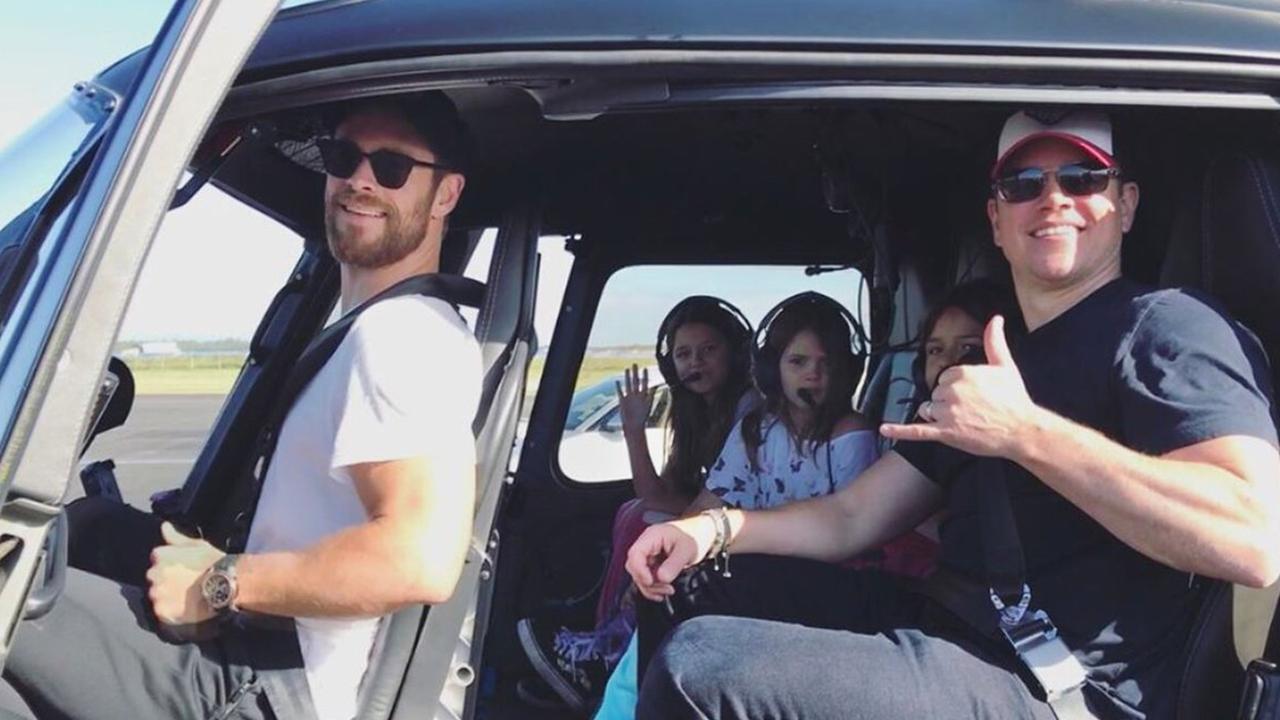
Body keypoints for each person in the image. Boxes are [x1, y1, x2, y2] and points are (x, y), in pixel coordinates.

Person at [626, 109, 1280, 719]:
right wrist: (709, 530)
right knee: (688, 584)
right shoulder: (995, 363)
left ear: (1125, 205)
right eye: (1025, 183)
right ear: (996, 219)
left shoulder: (1169, 326)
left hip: (1050, 682)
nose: (1053, 199)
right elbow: (851, 517)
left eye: (1083, 178)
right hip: (949, 623)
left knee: (700, 669)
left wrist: (1025, 434)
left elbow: (1253, 539)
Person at [1, 91, 481, 720]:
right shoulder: (378, 327)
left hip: (279, 691)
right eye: (344, 158)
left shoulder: (400, 338)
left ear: (445, 195)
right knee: (90, 525)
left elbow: (417, 558)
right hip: (277, 650)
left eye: (392, 168)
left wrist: (221, 582)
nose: (360, 180)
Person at [594, 291, 913, 720]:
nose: (814, 376)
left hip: (827, 574)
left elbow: (851, 530)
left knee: (687, 592)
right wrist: (671, 552)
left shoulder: (849, 433)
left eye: (826, 364)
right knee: (670, 585)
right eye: (798, 363)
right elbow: (705, 506)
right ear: (772, 369)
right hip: (760, 564)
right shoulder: (757, 430)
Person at [517, 296, 756, 714]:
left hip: (747, 527)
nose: (695, 362)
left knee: (642, 521)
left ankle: (606, 650)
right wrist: (634, 425)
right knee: (633, 514)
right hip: (719, 516)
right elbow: (659, 493)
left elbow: (667, 500)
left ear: (736, 354)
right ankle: (604, 643)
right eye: (683, 354)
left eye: (708, 350)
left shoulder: (748, 412)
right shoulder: (696, 413)